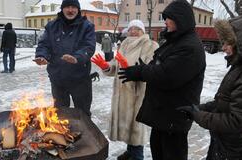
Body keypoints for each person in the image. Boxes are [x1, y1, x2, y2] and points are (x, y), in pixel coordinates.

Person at [118, 0, 206, 159]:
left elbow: (167, 76)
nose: (165, 21)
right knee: (159, 152)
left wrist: (140, 71)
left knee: (171, 154)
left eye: (168, 18)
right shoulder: (175, 41)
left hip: (175, 116)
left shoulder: (190, 47)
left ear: (181, 19)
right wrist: (147, 67)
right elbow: (159, 63)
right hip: (164, 116)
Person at [177, 14, 242, 160]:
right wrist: (198, 108)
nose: (223, 47)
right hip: (224, 144)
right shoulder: (240, 65)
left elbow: (236, 121)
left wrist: (198, 115)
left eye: (227, 43)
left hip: (233, 149)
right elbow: (224, 102)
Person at [91, 19, 159, 160]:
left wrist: (131, 69)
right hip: (122, 93)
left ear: (143, 31)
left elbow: (151, 69)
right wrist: (106, 66)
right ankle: (130, 152)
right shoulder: (124, 45)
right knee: (128, 126)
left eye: (137, 29)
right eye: (131, 29)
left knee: (136, 128)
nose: (133, 31)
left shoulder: (150, 45)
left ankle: (137, 156)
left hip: (137, 93)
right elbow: (116, 66)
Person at [34, 0, 96, 117]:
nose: (70, 10)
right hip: (58, 79)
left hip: (80, 79)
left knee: (83, 114)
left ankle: (82, 135)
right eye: (67, 7)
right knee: (60, 114)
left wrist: (76, 58)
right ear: (62, 9)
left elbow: (89, 47)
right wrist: (42, 56)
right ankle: (63, 135)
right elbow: (44, 44)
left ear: (78, 10)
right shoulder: (52, 26)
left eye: (73, 7)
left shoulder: (87, 26)